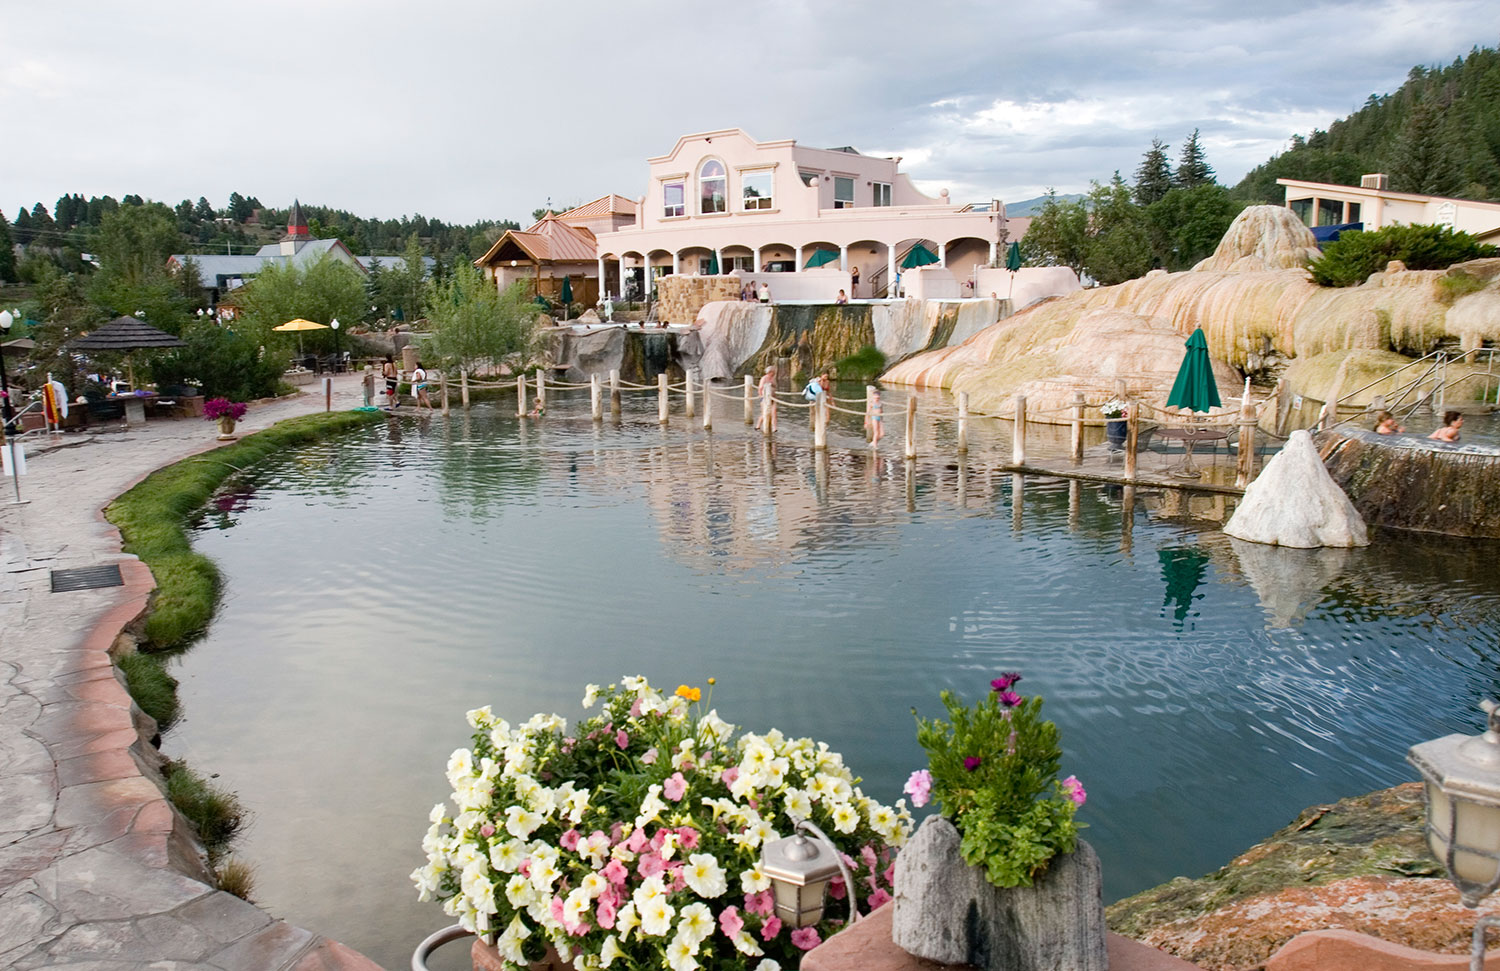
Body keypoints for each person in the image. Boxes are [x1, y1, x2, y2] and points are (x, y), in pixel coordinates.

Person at [755, 365, 777, 432]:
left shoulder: (773, 379)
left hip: (773, 398)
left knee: (774, 413)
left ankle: (774, 428)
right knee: (764, 413)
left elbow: (775, 387)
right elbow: (760, 388)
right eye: (773, 372)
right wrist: (761, 397)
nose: (774, 373)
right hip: (765, 399)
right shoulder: (764, 378)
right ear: (770, 372)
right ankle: (758, 426)